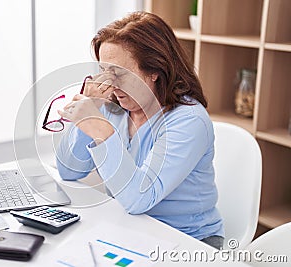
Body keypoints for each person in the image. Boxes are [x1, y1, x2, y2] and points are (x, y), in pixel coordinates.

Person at [54, 11, 224, 250]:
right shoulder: (115, 107)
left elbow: (139, 199)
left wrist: (102, 131)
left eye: (120, 73)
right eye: (106, 71)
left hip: (188, 241)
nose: (111, 83)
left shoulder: (189, 120)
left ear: (155, 70)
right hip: (128, 227)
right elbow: (69, 171)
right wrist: (88, 116)